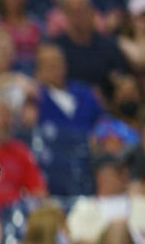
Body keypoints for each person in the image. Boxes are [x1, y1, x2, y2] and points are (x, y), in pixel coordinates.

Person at [31, 43, 102, 197]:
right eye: (49, 64)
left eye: (58, 62)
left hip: (89, 155)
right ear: (38, 71)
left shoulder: (83, 92)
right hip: (54, 161)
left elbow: (102, 120)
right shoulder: (36, 97)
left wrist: (99, 136)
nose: (55, 67)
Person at [66, 154, 145, 244]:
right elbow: (74, 242)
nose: (124, 175)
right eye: (118, 172)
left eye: (124, 171)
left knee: (118, 228)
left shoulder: (140, 203)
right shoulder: (84, 206)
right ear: (101, 176)